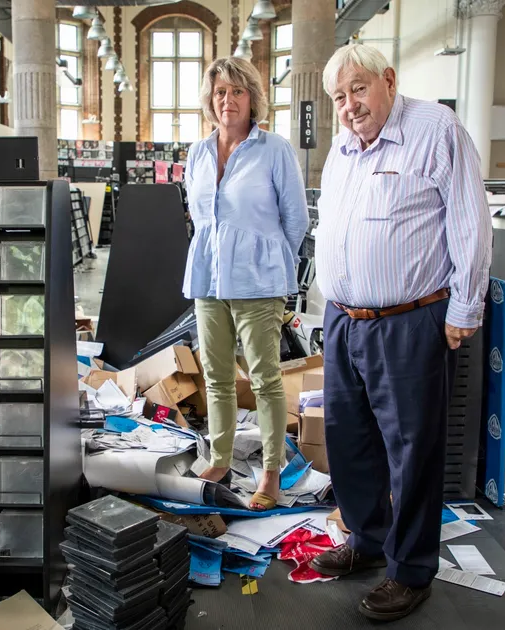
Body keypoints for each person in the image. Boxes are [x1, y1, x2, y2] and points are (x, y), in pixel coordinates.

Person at [307, 43, 492, 620]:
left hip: (411, 319)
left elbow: (470, 221)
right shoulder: (342, 147)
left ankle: (410, 570)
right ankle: (365, 541)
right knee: (350, 440)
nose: (349, 106)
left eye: (358, 89)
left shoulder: (435, 129)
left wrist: (466, 308)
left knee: (412, 451)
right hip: (342, 319)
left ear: (388, 80)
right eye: (338, 97)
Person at [183, 56, 308, 511]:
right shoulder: (197, 153)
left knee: (265, 378)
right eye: (220, 92)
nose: (228, 100)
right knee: (215, 377)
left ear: (253, 98)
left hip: (259, 280)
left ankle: (271, 472)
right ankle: (220, 458)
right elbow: (200, 218)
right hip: (208, 277)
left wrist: (271, 263)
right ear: (209, 99)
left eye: (237, 91)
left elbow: (296, 220)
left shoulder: (274, 149)